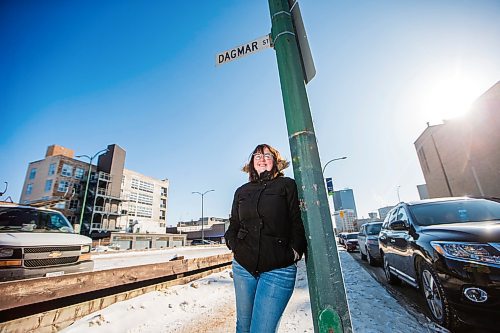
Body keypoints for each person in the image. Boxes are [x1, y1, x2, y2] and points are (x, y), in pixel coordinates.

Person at [225, 143, 307, 333]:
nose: (262, 159)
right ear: (252, 163)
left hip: (278, 269)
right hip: (243, 266)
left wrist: (293, 252)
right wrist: (233, 244)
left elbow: (297, 221)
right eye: (258, 156)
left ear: (276, 162)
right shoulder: (241, 191)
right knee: (243, 327)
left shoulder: (287, 185)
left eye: (267, 156)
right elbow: (234, 223)